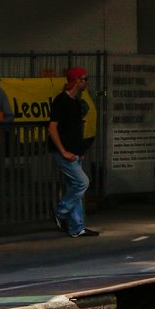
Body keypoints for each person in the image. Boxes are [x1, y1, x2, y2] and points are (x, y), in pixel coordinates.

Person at [48, 67, 99, 237]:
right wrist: (63, 151)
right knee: (82, 182)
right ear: (76, 80)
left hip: (73, 151)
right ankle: (60, 211)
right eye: (84, 79)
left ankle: (77, 227)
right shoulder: (60, 101)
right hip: (64, 152)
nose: (86, 82)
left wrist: (80, 150)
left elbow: (76, 129)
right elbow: (53, 128)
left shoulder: (75, 102)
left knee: (75, 186)